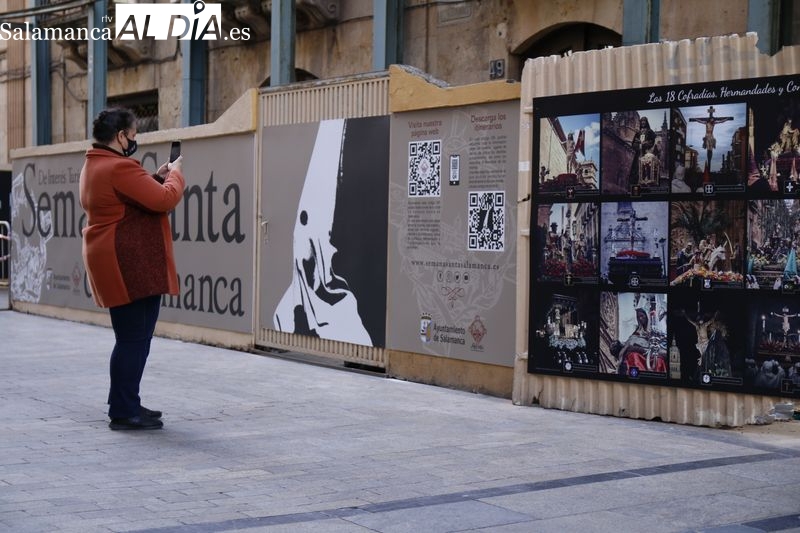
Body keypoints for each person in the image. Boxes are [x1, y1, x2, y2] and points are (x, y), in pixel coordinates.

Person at [80, 108, 185, 430]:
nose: (136, 139)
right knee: (133, 339)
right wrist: (176, 174)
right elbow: (164, 200)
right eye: (135, 133)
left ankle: (127, 402)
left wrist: (155, 176)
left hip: (115, 259)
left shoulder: (95, 163)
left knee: (130, 338)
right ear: (121, 135)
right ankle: (124, 412)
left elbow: (130, 198)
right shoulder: (119, 167)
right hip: (130, 264)